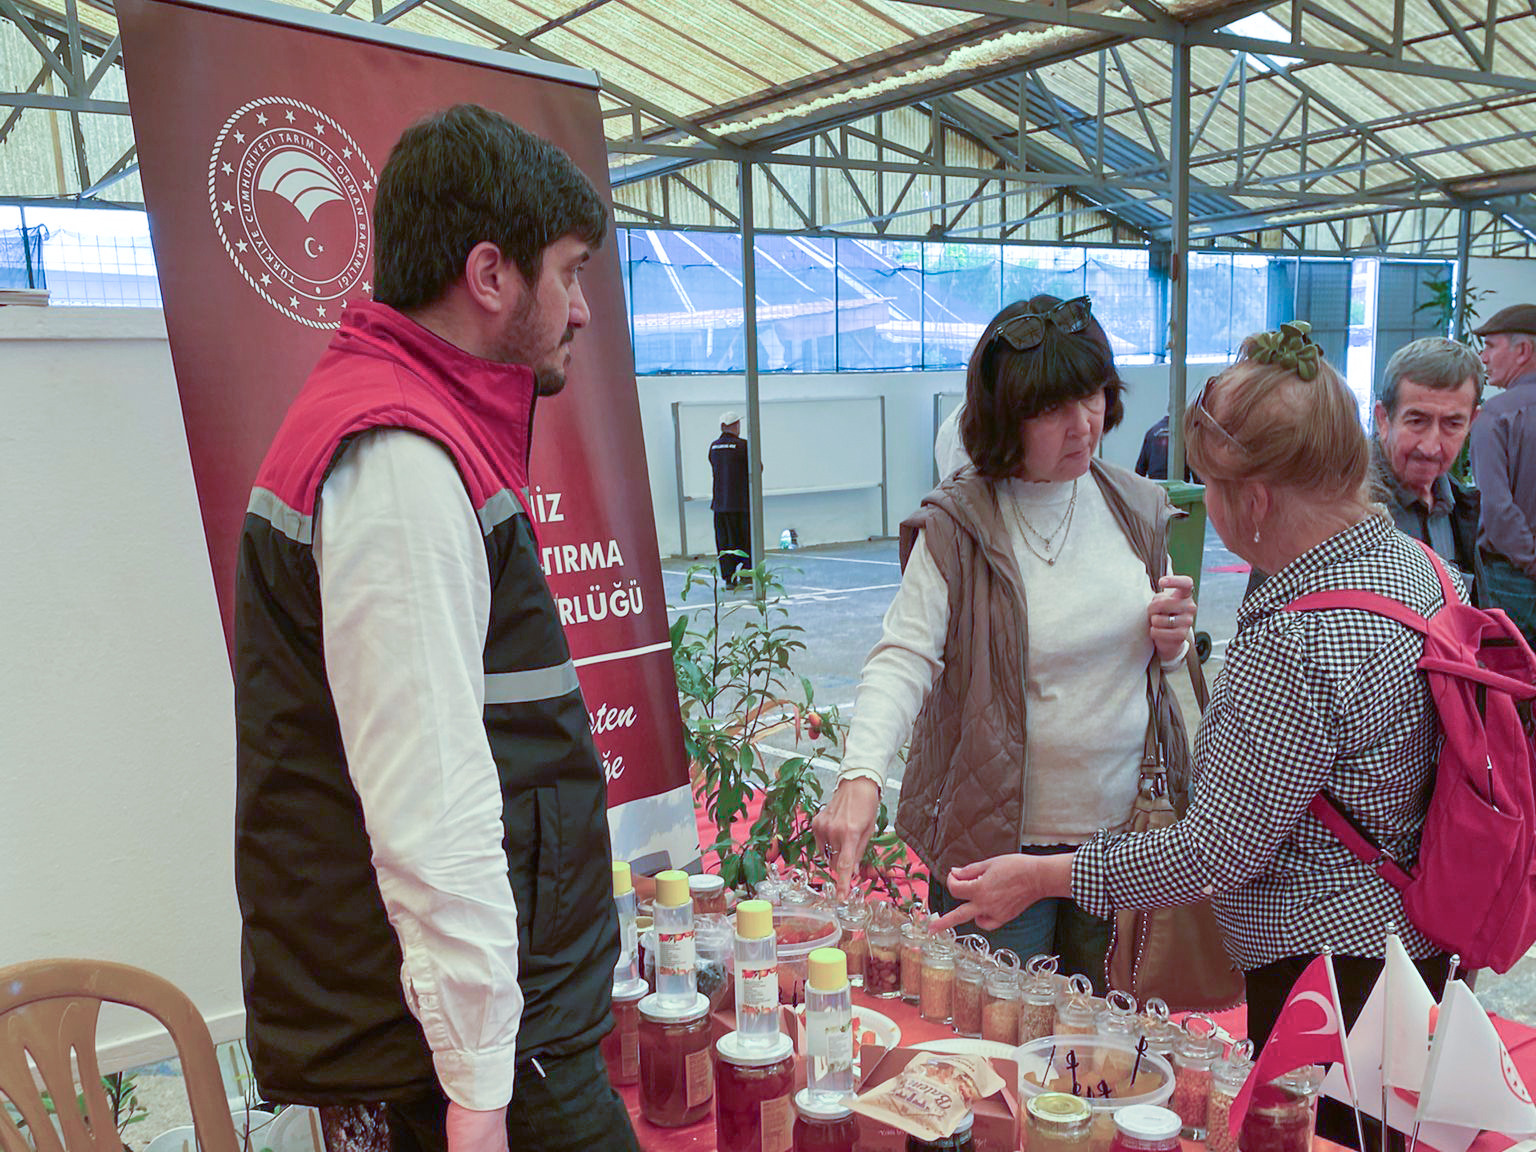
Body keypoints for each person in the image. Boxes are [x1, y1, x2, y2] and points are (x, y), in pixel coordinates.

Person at [932, 322, 1455, 1150]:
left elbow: (1214, 852)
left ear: (1256, 501)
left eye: (1210, 487)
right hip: (1419, 937)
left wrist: (1045, 876)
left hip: (1327, 972)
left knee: (1321, 1135)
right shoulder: (1421, 569)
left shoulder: (1298, 642)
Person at [233, 105, 638, 1152]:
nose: (583, 310)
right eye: (571, 272)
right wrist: (480, 1095)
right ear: (491, 274)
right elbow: (434, 808)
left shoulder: (412, 427)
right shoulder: (401, 458)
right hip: (475, 1065)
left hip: (486, 1043)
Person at [811, 294, 1197, 983]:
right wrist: (861, 776)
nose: (1083, 425)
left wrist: (1171, 642)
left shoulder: (1135, 507)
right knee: (993, 1031)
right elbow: (903, 657)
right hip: (995, 846)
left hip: (1116, 845)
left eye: (1092, 396)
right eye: (1051, 409)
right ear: (1005, 416)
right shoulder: (959, 525)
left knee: (1105, 1037)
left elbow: (1161, 665)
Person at [1372, 337, 1484, 598]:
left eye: (1452, 424)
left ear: (1472, 422)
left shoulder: (1461, 507)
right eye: (1417, 421)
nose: (1431, 447)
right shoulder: (1343, 510)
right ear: (1383, 419)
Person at [1470, 304, 1536, 646]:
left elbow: (1496, 508)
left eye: (1491, 346)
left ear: (1522, 351)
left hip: (1512, 581)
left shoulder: (1495, 415)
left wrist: (1531, 562)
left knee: (1510, 675)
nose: (1483, 357)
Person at [709, 410, 751, 587]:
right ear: (735, 426)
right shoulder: (743, 446)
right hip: (741, 504)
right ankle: (747, 575)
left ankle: (728, 579)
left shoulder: (713, 447)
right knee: (746, 541)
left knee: (725, 543)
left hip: (720, 505)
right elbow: (757, 468)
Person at [1133, 413, 1196, 482]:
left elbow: (1140, 470)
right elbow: (1196, 470)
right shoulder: (1186, 433)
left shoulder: (1151, 432)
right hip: (1179, 485)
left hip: (1156, 484)